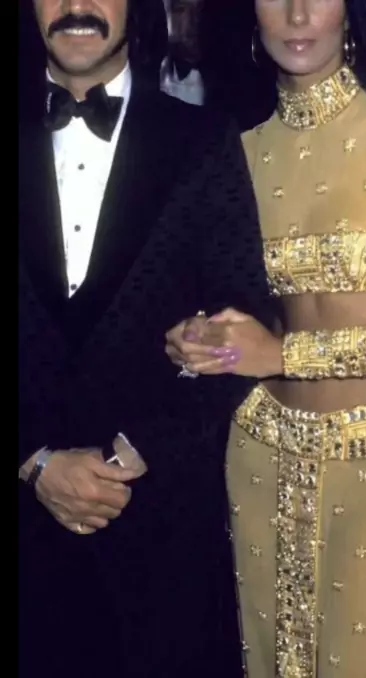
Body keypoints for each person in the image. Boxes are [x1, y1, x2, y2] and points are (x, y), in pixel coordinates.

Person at [166, 0, 366, 676]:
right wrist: (204, 339)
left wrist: (285, 354)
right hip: (261, 453)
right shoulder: (240, 151)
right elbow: (247, 309)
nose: (297, 14)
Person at [18, 1, 272, 677]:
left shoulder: (203, 139)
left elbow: (246, 322)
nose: (76, 6)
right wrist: (34, 460)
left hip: (162, 541)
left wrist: (135, 450)